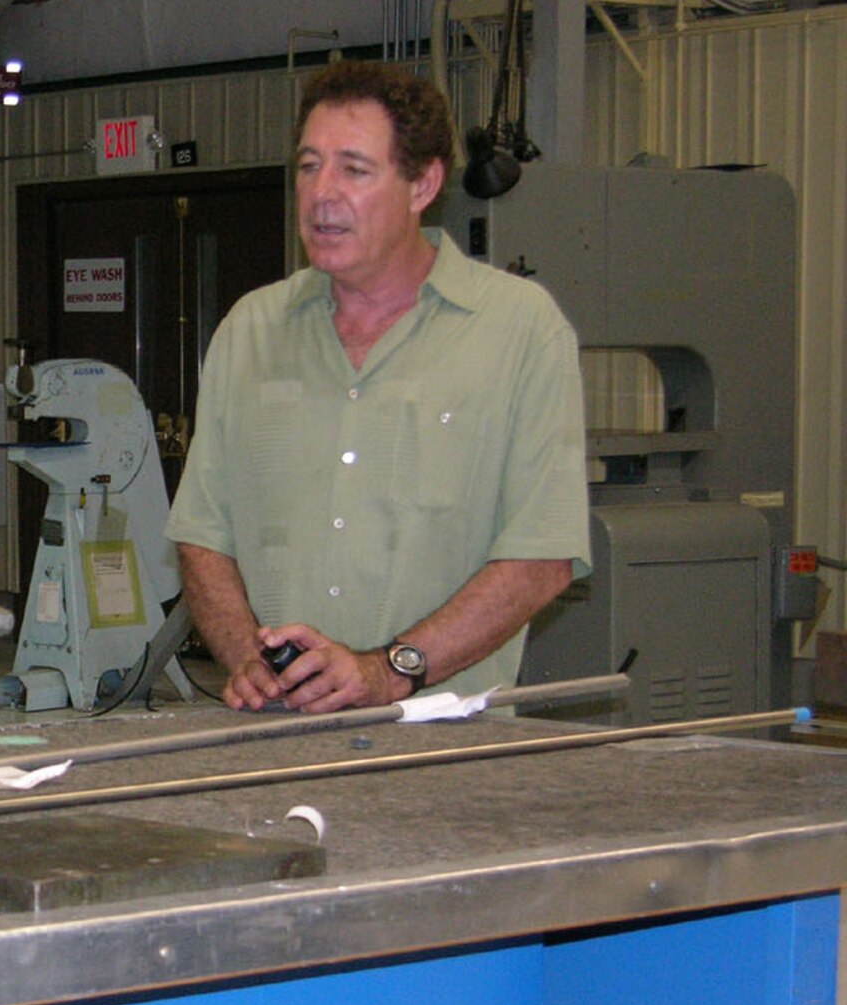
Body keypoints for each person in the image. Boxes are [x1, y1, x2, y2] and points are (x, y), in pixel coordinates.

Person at [166, 60, 589, 713]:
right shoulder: (250, 332)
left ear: (423, 183)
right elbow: (201, 534)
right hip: (281, 740)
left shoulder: (520, 332)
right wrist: (248, 657)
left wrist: (390, 671)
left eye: (353, 170)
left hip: (444, 752)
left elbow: (541, 560)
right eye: (308, 166)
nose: (321, 193)